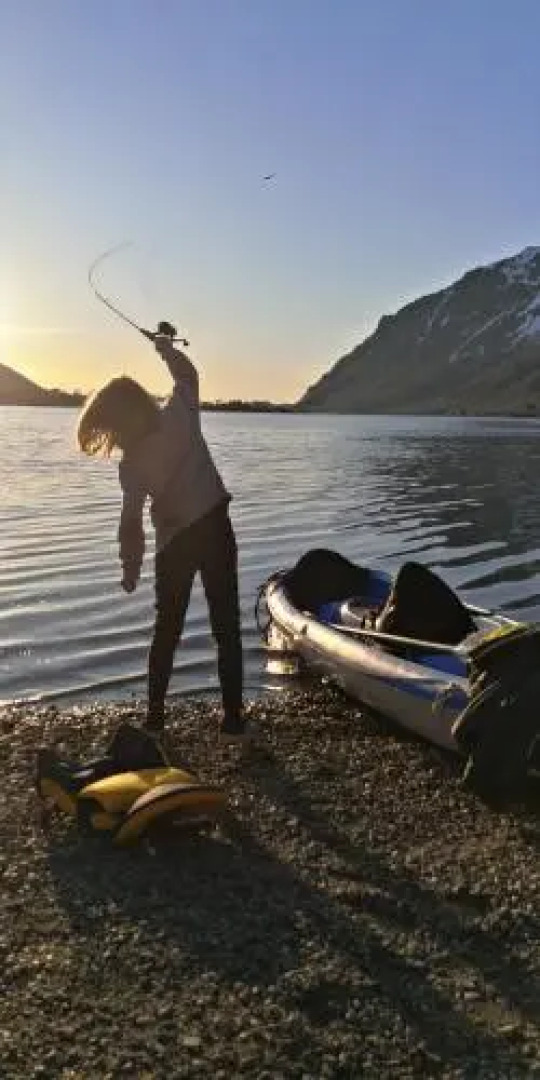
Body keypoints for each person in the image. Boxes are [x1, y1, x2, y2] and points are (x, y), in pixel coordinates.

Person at [77, 322, 248, 743]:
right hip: (214, 528)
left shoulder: (132, 464)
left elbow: (131, 520)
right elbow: (188, 375)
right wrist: (165, 348)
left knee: (166, 630)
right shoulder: (180, 412)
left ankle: (155, 720)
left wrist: (130, 565)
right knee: (225, 625)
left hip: (175, 545)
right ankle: (232, 721)